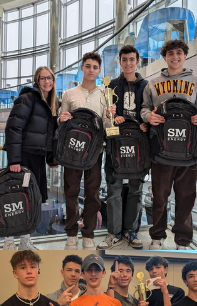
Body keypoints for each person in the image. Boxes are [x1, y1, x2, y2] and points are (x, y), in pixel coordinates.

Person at [141, 40, 197, 250]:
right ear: (164, 57)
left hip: (188, 150)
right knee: (159, 196)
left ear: (185, 55)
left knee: (186, 197)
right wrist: (149, 117)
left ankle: (183, 240)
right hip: (161, 149)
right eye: (170, 53)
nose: (175, 57)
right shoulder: (152, 83)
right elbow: (144, 109)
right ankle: (157, 236)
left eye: (179, 53)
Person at [59, 52, 114, 251]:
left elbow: (107, 126)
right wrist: (60, 119)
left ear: (99, 71)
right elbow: (61, 122)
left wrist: (110, 117)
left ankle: (88, 234)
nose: (91, 70)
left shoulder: (105, 94)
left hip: (95, 153)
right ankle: (71, 234)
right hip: (72, 152)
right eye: (88, 66)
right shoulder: (69, 94)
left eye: (95, 67)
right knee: (71, 193)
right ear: (82, 67)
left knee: (93, 194)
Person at [97, 45, 149, 250]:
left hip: (139, 145)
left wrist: (146, 123)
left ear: (137, 61)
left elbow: (149, 111)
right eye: (124, 59)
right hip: (115, 144)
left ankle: (131, 231)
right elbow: (106, 118)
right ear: (120, 61)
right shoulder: (110, 87)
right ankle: (114, 233)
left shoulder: (146, 86)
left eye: (132, 59)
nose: (128, 63)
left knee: (136, 190)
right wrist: (112, 117)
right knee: (114, 190)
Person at [3, 66, 59, 251]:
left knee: (32, 201)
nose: (47, 82)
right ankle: (9, 242)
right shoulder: (27, 98)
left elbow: (51, 134)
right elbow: (14, 129)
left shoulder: (51, 103)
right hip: (24, 157)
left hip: (38, 159)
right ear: (37, 80)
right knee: (16, 201)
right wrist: (14, 161)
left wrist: (51, 158)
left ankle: (25, 241)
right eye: (43, 78)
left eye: (49, 78)